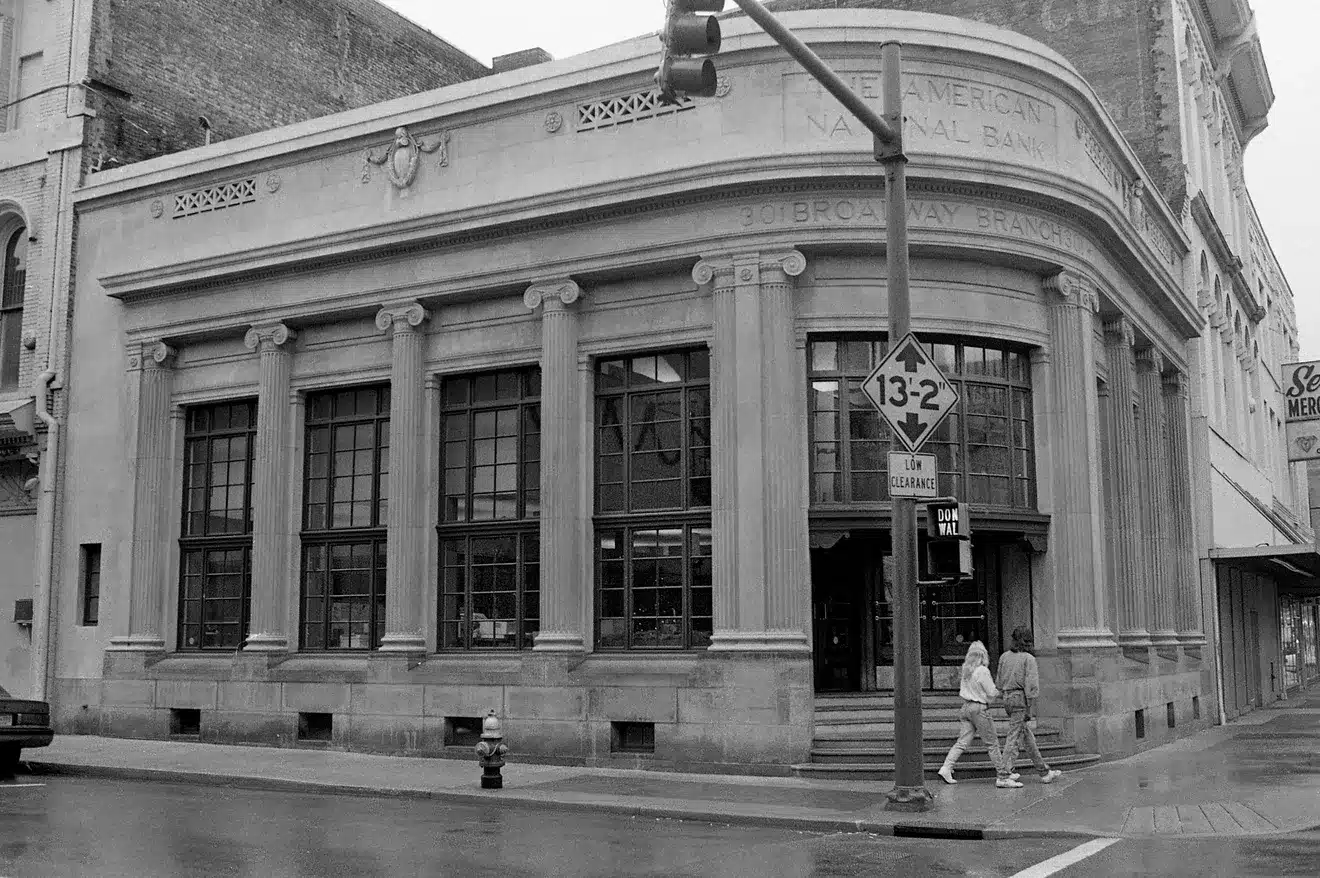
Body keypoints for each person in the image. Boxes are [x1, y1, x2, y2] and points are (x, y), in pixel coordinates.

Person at [937, 640, 1021, 788]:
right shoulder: (982, 671)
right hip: (979, 709)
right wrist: (1005, 693)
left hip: (966, 708)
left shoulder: (966, 669)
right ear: (984, 655)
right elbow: (991, 691)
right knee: (992, 744)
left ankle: (946, 767)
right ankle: (1002, 776)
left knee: (962, 742)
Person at [997, 626, 1062, 784]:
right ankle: (1003, 775)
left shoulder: (1004, 657)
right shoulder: (1028, 659)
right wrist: (1030, 708)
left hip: (1007, 697)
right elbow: (1031, 686)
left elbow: (998, 681)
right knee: (1013, 737)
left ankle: (1044, 771)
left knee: (1026, 736)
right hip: (1020, 699)